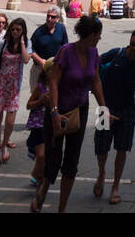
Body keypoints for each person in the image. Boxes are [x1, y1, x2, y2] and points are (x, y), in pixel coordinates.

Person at [41, 15, 108, 213]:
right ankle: (44, 187)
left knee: (72, 161)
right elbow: (53, 81)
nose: (99, 39)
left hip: (80, 110)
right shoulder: (66, 51)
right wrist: (54, 112)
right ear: (90, 35)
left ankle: (62, 208)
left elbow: (95, 81)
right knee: (53, 157)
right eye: (98, 36)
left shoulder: (94, 54)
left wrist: (104, 108)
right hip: (58, 109)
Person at [93, 29, 135, 204]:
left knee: (122, 149)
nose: (133, 48)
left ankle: (115, 185)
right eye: (131, 43)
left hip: (127, 110)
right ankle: (102, 173)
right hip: (105, 106)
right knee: (101, 147)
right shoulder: (116, 54)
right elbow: (95, 65)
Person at [0, 19, 30, 169]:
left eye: (18, 30)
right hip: (0, 84)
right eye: (13, 29)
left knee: (10, 122)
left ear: (23, 31)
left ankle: (5, 143)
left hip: (13, 88)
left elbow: (25, 60)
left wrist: (23, 43)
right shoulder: (3, 44)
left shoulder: (26, 44)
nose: (15, 32)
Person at [25, 65, 50, 212]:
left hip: (52, 124)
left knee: (46, 156)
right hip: (39, 125)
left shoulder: (59, 86)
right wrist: (41, 100)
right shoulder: (40, 87)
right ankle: (37, 175)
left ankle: (39, 177)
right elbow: (29, 105)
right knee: (41, 155)